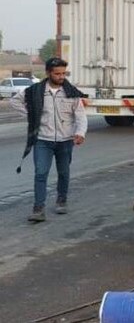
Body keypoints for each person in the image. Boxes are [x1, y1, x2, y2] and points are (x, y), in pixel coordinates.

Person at [11, 57, 87, 222]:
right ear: (48, 73)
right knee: (40, 173)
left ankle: (61, 200)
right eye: (57, 73)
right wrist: (32, 116)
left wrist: (80, 132)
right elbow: (15, 101)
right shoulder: (35, 90)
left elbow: (80, 115)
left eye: (63, 73)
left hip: (65, 141)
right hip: (42, 140)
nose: (61, 77)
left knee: (64, 173)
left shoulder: (71, 92)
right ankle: (38, 208)